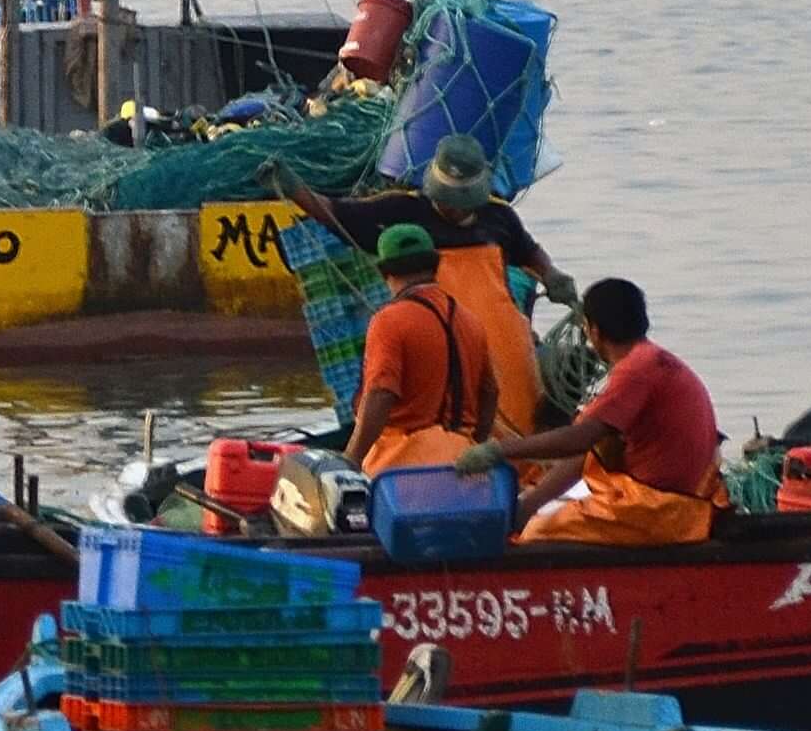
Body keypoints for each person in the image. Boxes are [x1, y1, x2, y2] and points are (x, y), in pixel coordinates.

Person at [272, 133, 561, 440]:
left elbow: (529, 252)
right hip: (443, 343)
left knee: (521, 426)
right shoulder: (401, 212)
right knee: (453, 419)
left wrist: (553, 276)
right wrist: (294, 188)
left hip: (504, 343)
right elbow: (337, 213)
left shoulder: (500, 216)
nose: (454, 210)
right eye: (448, 200)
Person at [476, 278, 722, 547]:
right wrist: (529, 505)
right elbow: (590, 450)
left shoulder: (635, 370)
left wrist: (501, 451)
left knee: (535, 534)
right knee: (541, 513)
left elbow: (579, 439)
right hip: (681, 506)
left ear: (594, 331)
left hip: (659, 510)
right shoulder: (655, 359)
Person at [343, 224, 489, 473]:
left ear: (384, 272)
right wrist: (479, 446)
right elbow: (490, 393)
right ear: (436, 266)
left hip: (402, 464)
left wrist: (351, 459)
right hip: (463, 456)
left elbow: (381, 393)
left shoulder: (389, 320)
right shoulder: (470, 320)